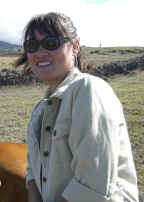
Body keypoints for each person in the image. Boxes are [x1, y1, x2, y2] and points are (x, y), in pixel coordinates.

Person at [14, 12, 139, 202]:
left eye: (51, 43)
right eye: (32, 46)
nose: (39, 53)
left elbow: (93, 181)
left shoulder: (89, 90)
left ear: (75, 47)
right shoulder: (40, 108)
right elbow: (33, 169)